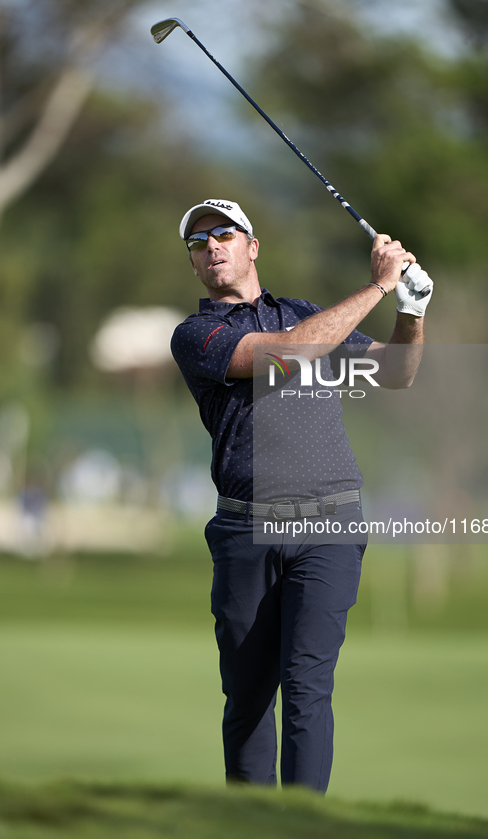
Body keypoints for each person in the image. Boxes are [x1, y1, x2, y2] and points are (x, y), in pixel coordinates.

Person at [170, 198, 433, 792]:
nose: (212, 246)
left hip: (329, 528)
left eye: (224, 234)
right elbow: (290, 353)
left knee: (308, 691)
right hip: (246, 531)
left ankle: (306, 838)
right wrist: (377, 286)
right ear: (193, 264)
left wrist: (411, 311)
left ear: (252, 247)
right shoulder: (196, 335)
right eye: (198, 242)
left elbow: (395, 373)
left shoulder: (306, 312)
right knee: (248, 698)